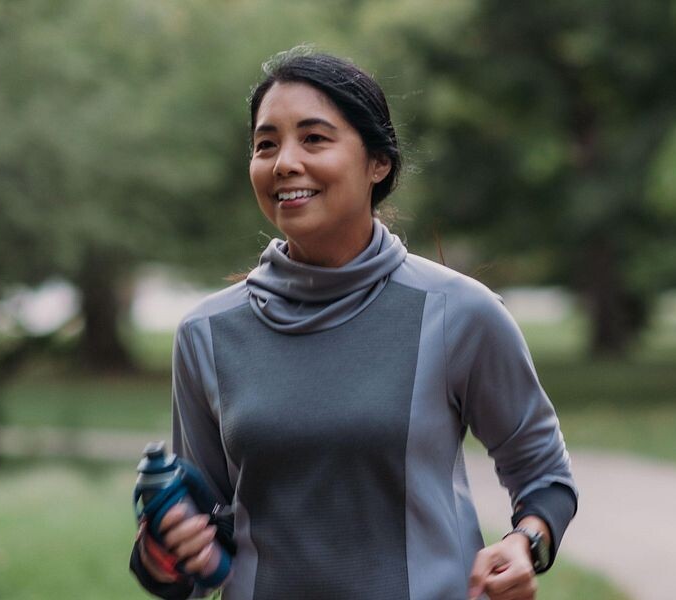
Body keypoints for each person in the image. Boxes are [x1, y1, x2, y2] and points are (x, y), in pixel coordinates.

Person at [128, 48, 578, 600]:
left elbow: (544, 475)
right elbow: (204, 527)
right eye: (266, 144)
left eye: (314, 139)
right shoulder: (207, 333)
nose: (284, 162)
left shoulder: (459, 313)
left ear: (378, 163)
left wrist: (525, 542)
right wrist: (166, 551)